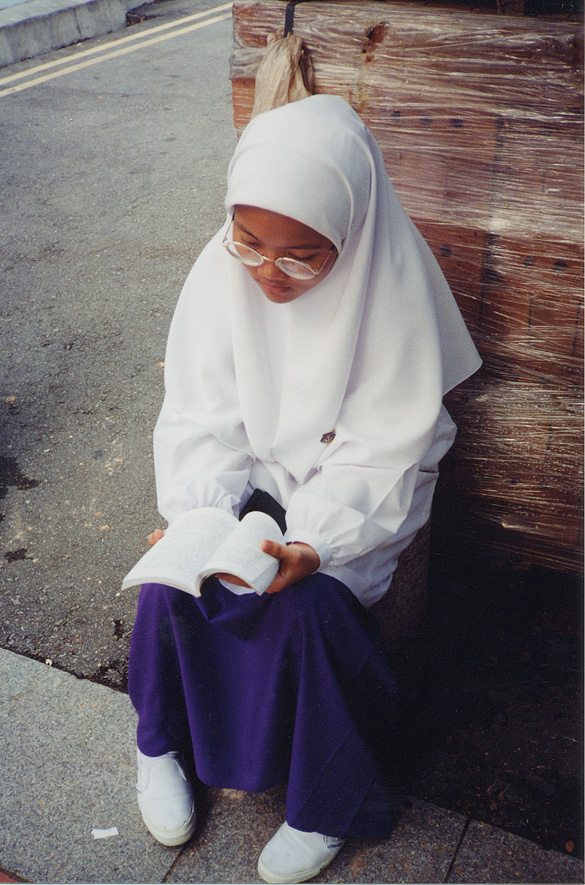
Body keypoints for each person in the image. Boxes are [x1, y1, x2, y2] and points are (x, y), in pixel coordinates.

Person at [127, 94, 481, 884]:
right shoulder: (220, 273)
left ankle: (324, 802)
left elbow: (386, 451)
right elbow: (199, 412)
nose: (267, 273)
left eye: (301, 256)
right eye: (247, 243)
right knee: (171, 588)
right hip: (251, 475)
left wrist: (314, 542)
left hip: (353, 501)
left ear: (351, 239)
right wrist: (197, 516)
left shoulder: (390, 291)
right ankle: (158, 742)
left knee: (313, 611)